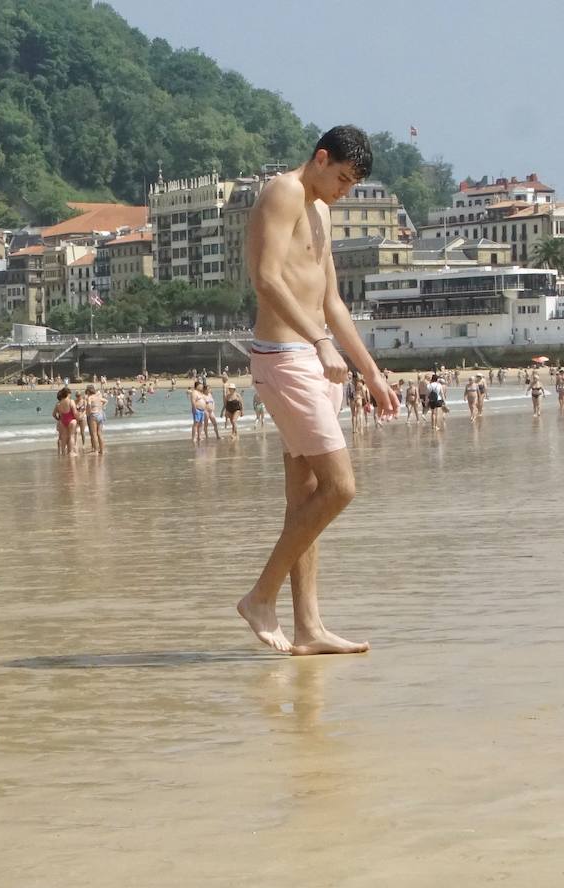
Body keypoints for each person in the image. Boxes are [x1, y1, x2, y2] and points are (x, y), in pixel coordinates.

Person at [239, 125, 396, 656]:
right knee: (341, 488)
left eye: (353, 185)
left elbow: (332, 301)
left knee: (306, 498)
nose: (344, 191)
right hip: (286, 358)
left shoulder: (323, 211)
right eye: (343, 178)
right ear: (321, 158)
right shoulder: (282, 192)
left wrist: (370, 371)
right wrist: (318, 343)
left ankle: (308, 627)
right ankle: (261, 598)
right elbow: (265, 279)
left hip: (314, 357)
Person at [52, 387, 78, 456]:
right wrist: (78, 418)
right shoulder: (71, 401)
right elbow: (75, 413)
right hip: (71, 420)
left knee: (63, 437)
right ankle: (71, 452)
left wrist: (58, 419)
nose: (70, 395)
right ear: (67, 393)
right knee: (71, 436)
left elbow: (53, 414)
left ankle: (63, 452)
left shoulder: (58, 403)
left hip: (62, 421)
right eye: (70, 394)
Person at [85, 384, 107, 455]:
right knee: (100, 434)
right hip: (100, 414)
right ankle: (102, 450)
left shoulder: (90, 397)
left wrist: (88, 412)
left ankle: (96, 451)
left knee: (94, 434)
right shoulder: (98, 396)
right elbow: (106, 401)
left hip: (94, 415)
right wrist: (102, 407)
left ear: (88, 391)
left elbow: (88, 405)